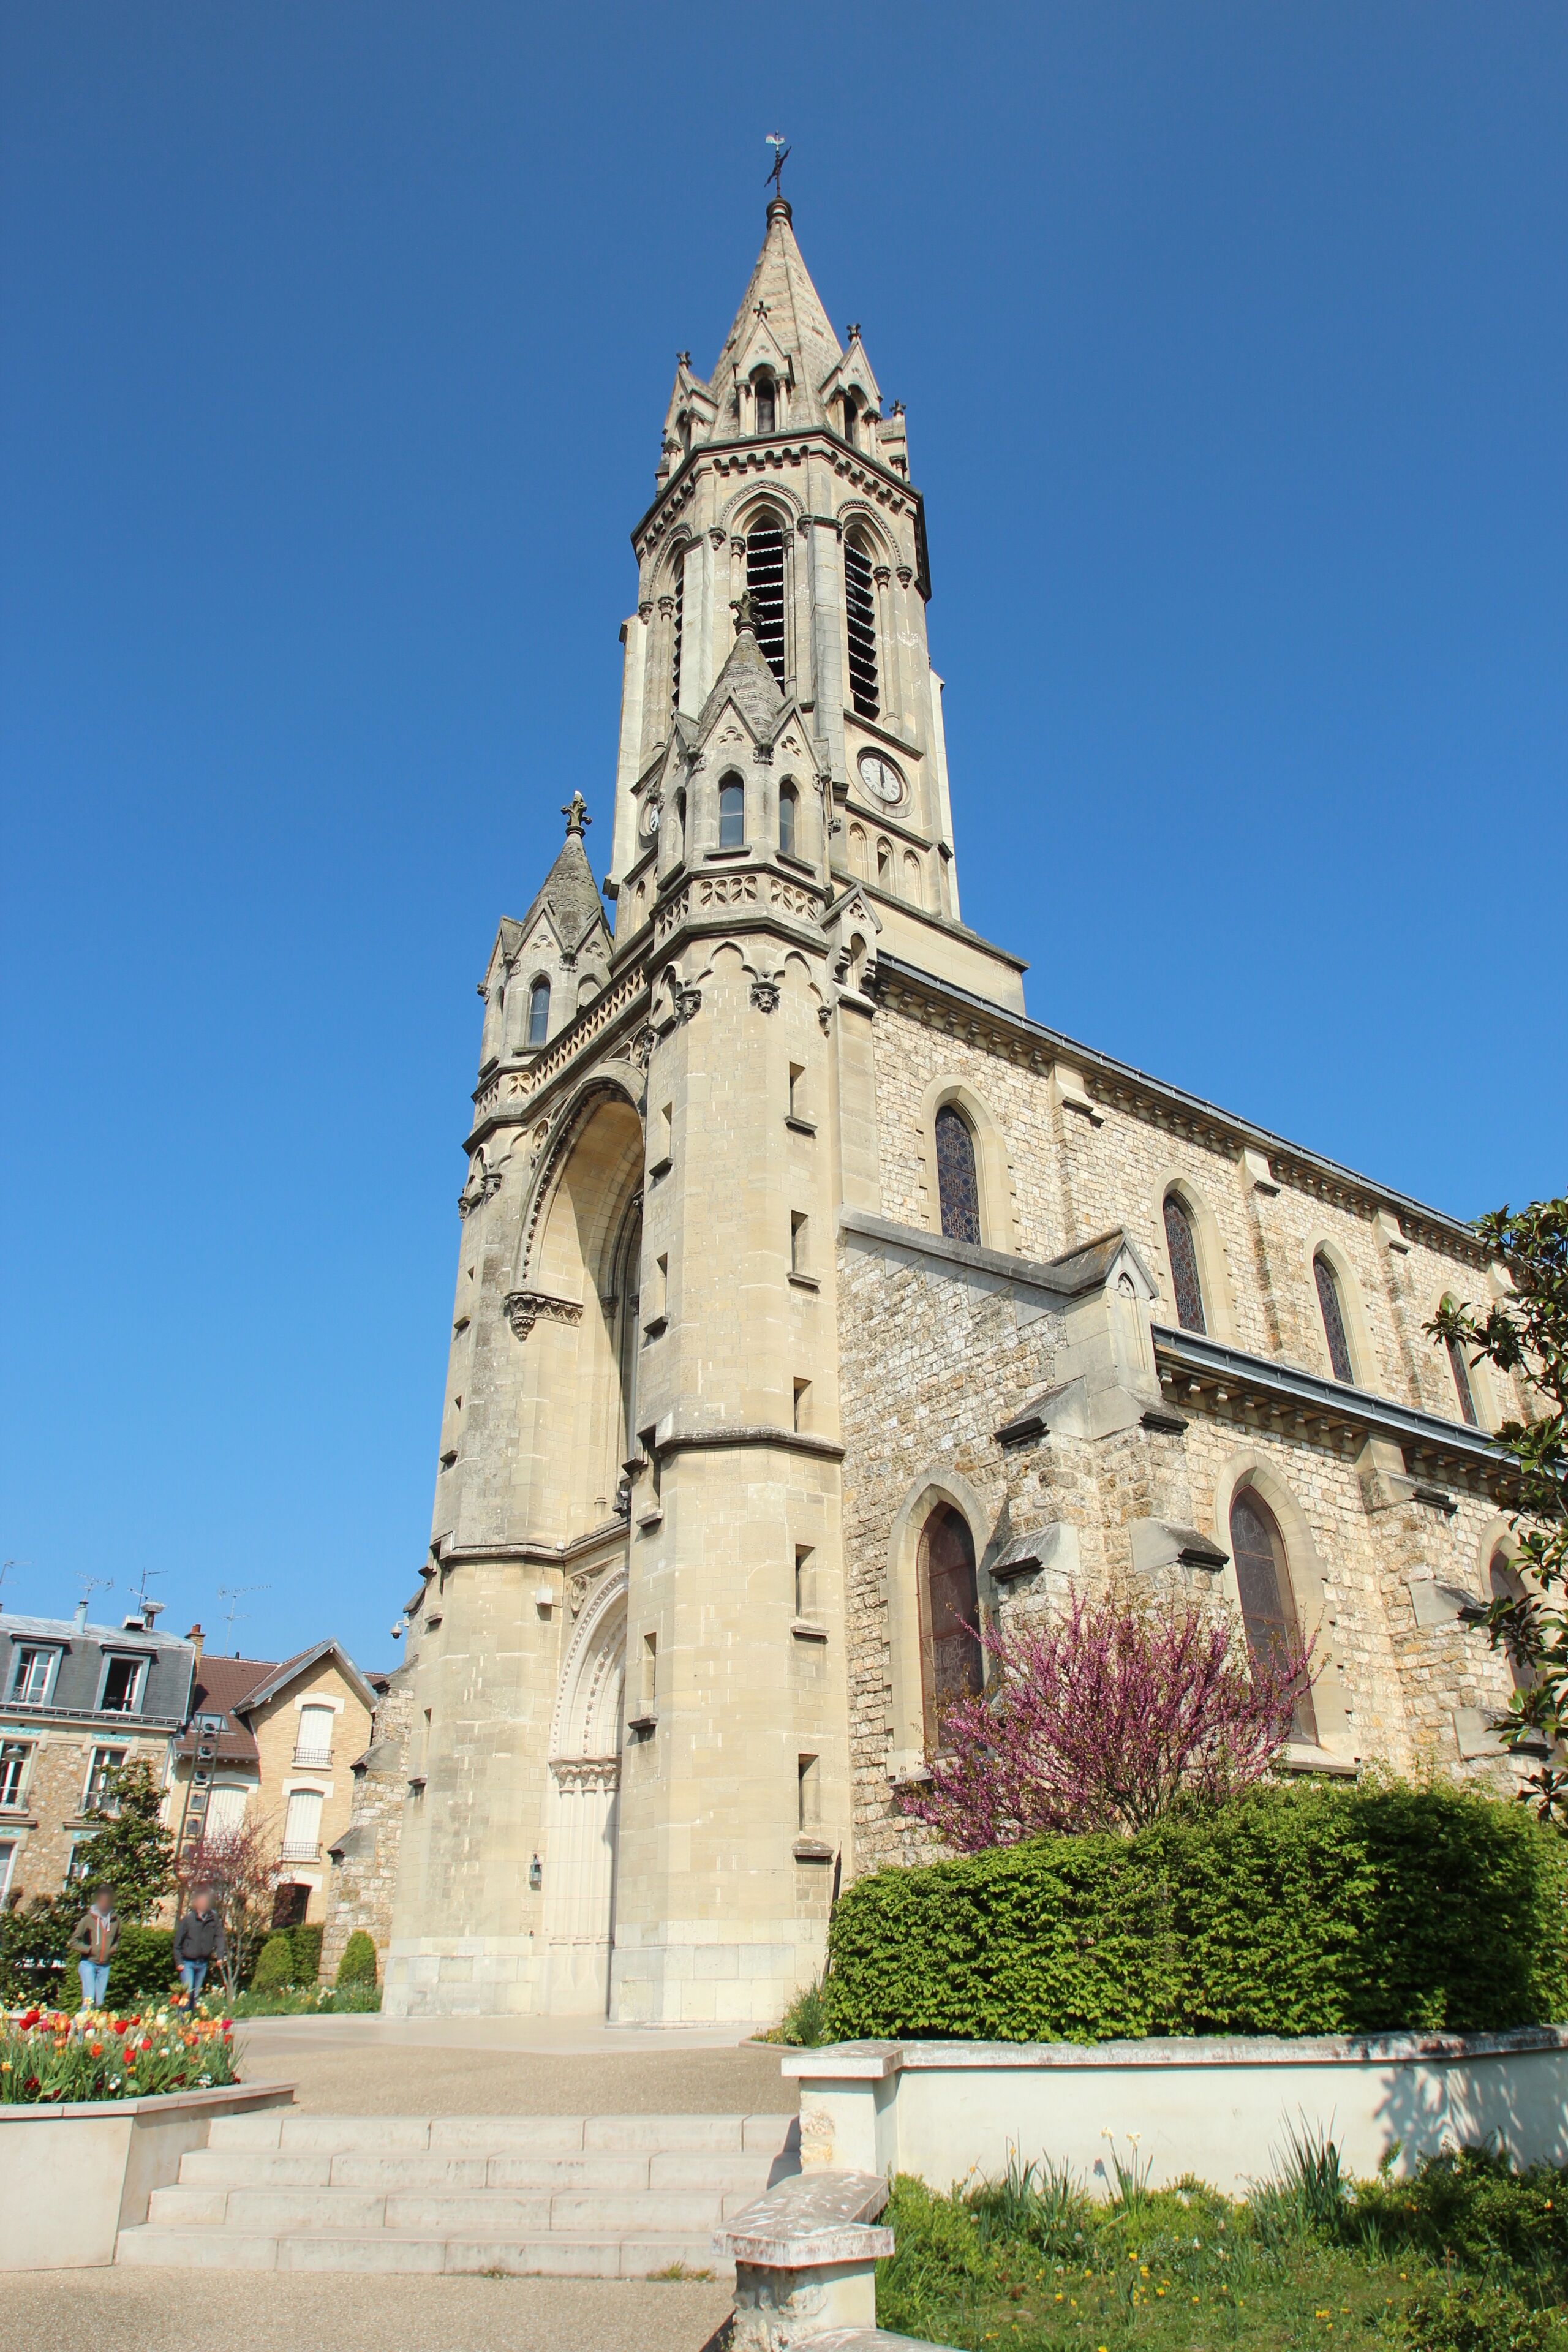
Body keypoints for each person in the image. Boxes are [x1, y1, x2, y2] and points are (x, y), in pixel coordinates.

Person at [69, 1885, 121, 2011]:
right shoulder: (88, 1919)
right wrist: (89, 1950)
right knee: (89, 2000)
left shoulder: (115, 1920)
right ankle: (82, 2029)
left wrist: (113, 1949)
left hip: (105, 1965)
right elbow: (73, 1941)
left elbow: (118, 1938)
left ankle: (82, 2027)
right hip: (88, 1963)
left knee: (99, 2003)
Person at [172, 1886, 226, 2003]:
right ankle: (182, 2019)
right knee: (187, 1993)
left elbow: (219, 1937)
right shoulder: (188, 1919)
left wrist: (220, 1956)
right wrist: (179, 1962)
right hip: (188, 1963)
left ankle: (191, 2019)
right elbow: (177, 1943)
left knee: (195, 1995)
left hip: (203, 1962)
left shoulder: (214, 1919)